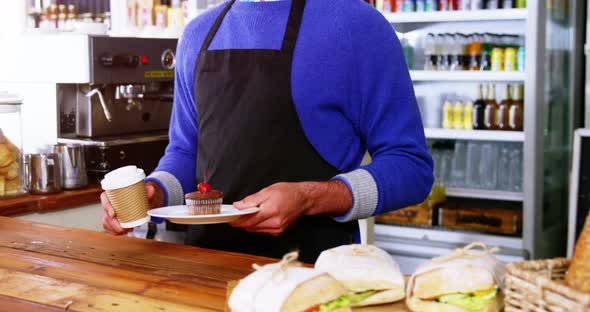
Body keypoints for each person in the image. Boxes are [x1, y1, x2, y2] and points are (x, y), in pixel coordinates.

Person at [101, 0, 433, 263]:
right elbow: (186, 152)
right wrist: (155, 193)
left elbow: (411, 167)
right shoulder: (199, 33)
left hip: (313, 272)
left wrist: (310, 198)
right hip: (208, 268)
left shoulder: (356, 25)